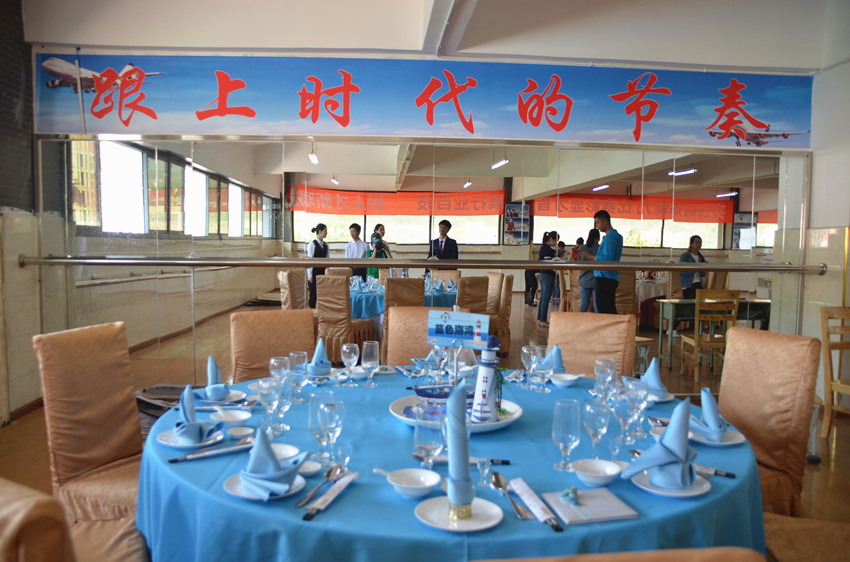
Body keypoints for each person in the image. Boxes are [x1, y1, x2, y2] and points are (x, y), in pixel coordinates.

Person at [581, 210, 622, 314]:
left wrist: (589, 256)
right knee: (606, 307)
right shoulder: (612, 236)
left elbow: (607, 259)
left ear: (605, 222)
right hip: (607, 276)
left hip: (605, 276)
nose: (597, 226)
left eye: (598, 223)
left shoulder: (611, 237)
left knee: (604, 309)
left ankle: (609, 325)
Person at [536, 230, 561, 327]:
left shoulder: (545, 248)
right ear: (551, 239)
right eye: (556, 241)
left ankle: (540, 318)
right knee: (545, 298)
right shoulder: (546, 248)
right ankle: (543, 319)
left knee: (543, 298)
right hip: (547, 274)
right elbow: (548, 261)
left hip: (544, 274)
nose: (556, 243)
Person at [577, 228, 600, 312]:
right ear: (598, 238)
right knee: (597, 305)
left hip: (583, 279)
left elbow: (579, 263)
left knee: (584, 304)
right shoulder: (599, 248)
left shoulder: (581, 248)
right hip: (595, 280)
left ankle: (579, 319)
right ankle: (598, 320)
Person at [305, 223, 328, 308]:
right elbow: (309, 261)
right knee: (313, 294)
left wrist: (328, 273)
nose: (327, 233)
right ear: (320, 231)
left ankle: (321, 311)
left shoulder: (325, 245)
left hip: (323, 272)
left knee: (323, 293)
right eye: (325, 231)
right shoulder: (312, 244)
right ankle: (311, 311)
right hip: (314, 273)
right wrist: (310, 275)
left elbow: (328, 260)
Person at [679, 235, 706, 299]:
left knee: (699, 301)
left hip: (698, 283)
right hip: (688, 284)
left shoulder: (701, 257)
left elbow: (703, 274)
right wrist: (694, 270)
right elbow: (682, 270)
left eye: (700, 243)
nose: (698, 245)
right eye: (696, 243)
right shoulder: (685, 256)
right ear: (691, 244)